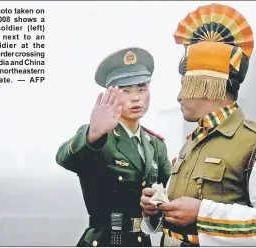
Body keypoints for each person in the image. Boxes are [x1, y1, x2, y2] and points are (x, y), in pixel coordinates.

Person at [140, 3, 256, 246]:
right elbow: (181, 221)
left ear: (206, 85)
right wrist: (157, 211)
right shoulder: (193, 143)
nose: (179, 96)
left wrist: (203, 213)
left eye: (184, 85)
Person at [55, 47, 172, 247]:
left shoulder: (155, 144)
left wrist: (156, 208)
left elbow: (169, 193)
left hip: (141, 241)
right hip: (104, 240)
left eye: (142, 89)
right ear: (110, 95)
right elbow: (65, 158)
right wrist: (92, 134)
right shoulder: (98, 137)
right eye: (126, 91)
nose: (136, 97)